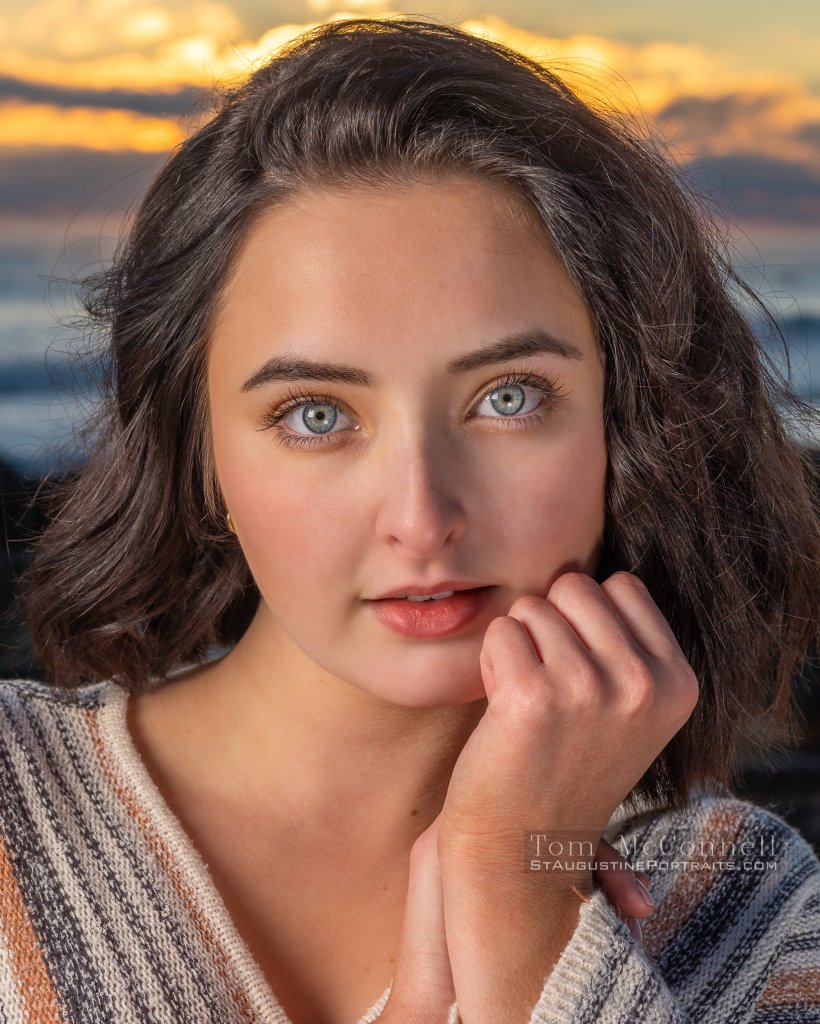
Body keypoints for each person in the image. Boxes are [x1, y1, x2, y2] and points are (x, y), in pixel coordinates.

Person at [2, 15, 819, 1024]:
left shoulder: (744, 907)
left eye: (508, 396)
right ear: (199, 451)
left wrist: (516, 874)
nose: (422, 517)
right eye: (315, 415)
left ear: (627, 419)